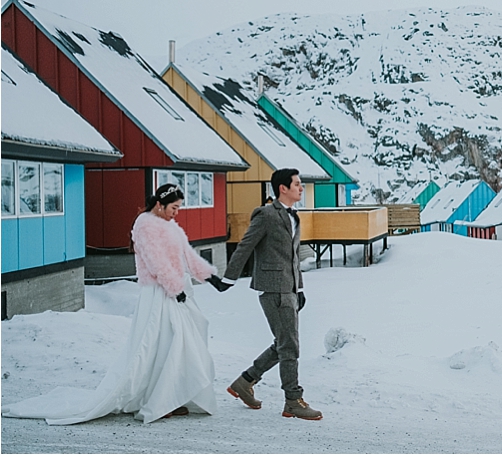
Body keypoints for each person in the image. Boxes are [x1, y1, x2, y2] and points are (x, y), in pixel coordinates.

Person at [3, 183, 225, 424]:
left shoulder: (169, 225)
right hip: (158, 293)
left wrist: (211, 277)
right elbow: (155, 261)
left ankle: (170, 395)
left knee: (178, 343)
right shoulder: (145, 225)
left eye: (179, 208)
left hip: (174, 291)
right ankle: (155, 399)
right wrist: (176, 289)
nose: (177, 212)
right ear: (160, 205)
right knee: (156, 344)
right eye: (174, 207)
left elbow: (187, 254)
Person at [212, 168, 322, 420]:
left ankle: (245, 382)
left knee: (283, 343)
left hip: (290, 288)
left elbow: (293, 257)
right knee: (290, 346)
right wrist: (228, 278)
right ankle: (293, 400)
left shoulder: (294, 217)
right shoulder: (266, 215)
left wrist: (300, 288)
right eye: (297, 184)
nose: (301, 188)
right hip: (273, 288)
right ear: (282, 188)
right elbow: (245, 246)